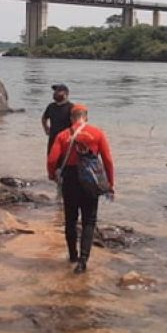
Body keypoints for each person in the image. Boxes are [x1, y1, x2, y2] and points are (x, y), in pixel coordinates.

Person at [46, 104, 115, 274]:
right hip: (90, 180)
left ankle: (72, 256)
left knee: (70, 219)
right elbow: (107, 161)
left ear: (71, 118)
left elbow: (52, 160)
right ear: (86, 117)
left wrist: (52, 175)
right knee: (89, 221)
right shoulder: (97, 133)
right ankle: (83, 262)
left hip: (70, 179)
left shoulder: (63, 135)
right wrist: (110, 184)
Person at [41, 83, 73, 154]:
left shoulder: (71, 107)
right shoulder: (51, 106)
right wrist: (46, 128)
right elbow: (44, 118)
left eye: (58, 91)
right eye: (55, 91)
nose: (55, 93)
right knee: (51, 161)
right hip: (53, 139)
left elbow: (76, 124)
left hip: (66, 141)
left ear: (65, 94)